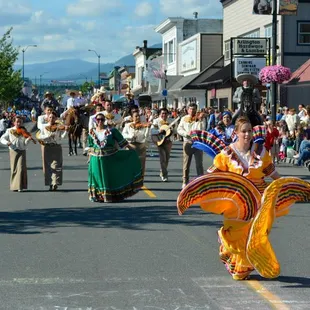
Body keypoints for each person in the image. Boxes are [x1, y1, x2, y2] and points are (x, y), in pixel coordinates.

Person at [88, 113, 143, 202]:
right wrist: (89, 159)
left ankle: (108, 195)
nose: (100, 121)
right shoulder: (92, 132)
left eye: (102, 119)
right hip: (95, 158)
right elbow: (90, 146)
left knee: (108, 176)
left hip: (108, 158)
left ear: (104, 120)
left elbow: (122, 141)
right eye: (98, 120)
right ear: (95, 121)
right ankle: (98, 195)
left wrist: (131, 150)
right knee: (96, 176)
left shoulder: (111, 131)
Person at [0, 116, 36, 192]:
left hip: (22, 150)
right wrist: (7, 142)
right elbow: (2, 138)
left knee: (21, 167)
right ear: (14, 122)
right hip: (13, 151)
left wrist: (28, 140)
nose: (19, 123)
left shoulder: (24, 131)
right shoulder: (9, 130)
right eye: (17, 122)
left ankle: (20, 186)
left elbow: (25, 144)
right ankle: (14, 186)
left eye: (20, 122)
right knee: (14, 169)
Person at [177, 103, 206, 188]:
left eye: (194, 109)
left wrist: (200, 120)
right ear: (187, 110)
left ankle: (200, 182)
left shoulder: (200, 118)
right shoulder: (184, 118)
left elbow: (202, 129)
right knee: (186, 164)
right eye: (190, 109)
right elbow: (179, 129)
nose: (192, 111)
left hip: (197, 143)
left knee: (199, 164)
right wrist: (186, 134)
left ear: (196, 110)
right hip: (187, 142)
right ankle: (185, 181)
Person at [38, 111, 68, 191]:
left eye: (53, 117)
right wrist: (48, 135)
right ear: (48, 118)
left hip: (56, 147)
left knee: (56, 165)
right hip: (47, 147)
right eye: (50, 117)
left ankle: (55, 183)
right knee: (48, 166)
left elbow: (62, 137)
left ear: (56, 119)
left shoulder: (58, 126)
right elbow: (40, 136)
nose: (51, 119)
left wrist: (66, 131)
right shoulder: (44, 127)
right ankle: (50, 183)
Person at [122, 111, 151, 176]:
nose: (138, 117)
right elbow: (123, 134)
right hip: (131, 146)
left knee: (141, 165)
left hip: (140, 146)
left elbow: (146, 136)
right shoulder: (128, 125)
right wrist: (130, 136)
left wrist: (148, 128)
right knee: (130, 164)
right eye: (136, 116)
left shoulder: (143, 125)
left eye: (139, 116)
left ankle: (141, 179)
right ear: (132, 117)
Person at [151, 108, 176, 182]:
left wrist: (173, 129)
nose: (164, 115)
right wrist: (159, 131)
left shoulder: (171, 121)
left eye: (165, 113)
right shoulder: (156, 121)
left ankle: (162, 171)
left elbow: (175, 132)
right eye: (162, 113)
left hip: (168, 141)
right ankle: (165, 175)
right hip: (160, 140)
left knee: (167, 158)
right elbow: (152, 131)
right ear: (159, 114)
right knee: (163, 158)